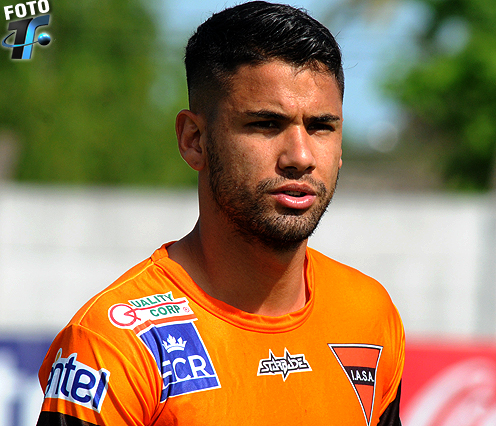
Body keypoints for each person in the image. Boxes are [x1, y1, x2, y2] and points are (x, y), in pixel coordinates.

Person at [36, 1, 405, 425]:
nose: (301, 157)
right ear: (194, 140)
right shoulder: (111, 345)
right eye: (266, 124)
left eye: (321, 126)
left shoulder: (369, 314)